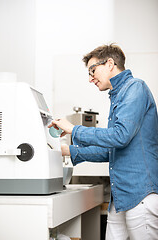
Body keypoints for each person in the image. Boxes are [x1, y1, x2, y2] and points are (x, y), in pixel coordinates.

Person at [48, 43, 158, 240]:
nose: (91, 79)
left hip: (140, 195)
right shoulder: (118, 96)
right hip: (122, 196)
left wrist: (73, 129)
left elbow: (119, 136)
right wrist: (68, 151)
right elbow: (111, 150)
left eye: (92, 70)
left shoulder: (135, 88)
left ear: (109, 63)